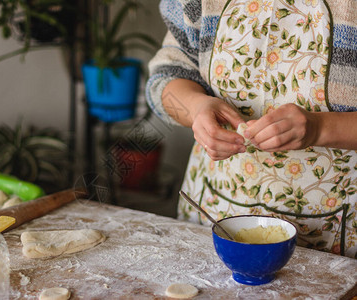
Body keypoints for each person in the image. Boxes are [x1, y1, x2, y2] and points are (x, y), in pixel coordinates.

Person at [146, 0, 356, 258]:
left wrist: (320, 128)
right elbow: (164, 79)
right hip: (214, 213)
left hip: (340, 237)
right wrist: (195, 107)